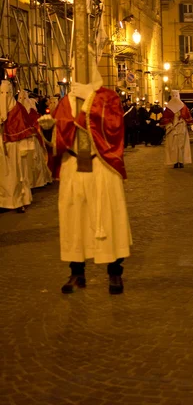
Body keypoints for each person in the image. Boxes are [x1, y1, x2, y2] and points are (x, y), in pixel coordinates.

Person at [38, 51, 132, 295]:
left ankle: (114, 272)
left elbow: (113, 126)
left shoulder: (108, 97)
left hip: (101, 164)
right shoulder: (66, 101)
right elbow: (58, 138)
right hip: (73, 165)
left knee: (108, 216)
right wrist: (49, 132)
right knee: (74, 219)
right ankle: (76, 272)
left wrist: (89, 101)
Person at [0, 80, 34, 212]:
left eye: (6, 93)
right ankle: (4, 201)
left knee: (16, 175)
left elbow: (25, 131)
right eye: (1, 93)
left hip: (15, 149)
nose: (4, 96)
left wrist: (24, 148)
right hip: (3, 148)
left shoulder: (18, 109)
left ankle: (19, 201)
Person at [17, 89, 52, 189]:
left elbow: (36, 123)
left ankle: (37, 181)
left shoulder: (32, 111)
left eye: (24, 98)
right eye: (20, 98)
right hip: (23, 140)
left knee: (35, 161)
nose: (22, 100)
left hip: (33, 139)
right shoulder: (18, 110)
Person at [160, 90, 193, 168]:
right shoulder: (168, 107)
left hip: (181, 127)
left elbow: (187, 116)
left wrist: (182, 119)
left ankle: (181, 161)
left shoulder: (183, 106)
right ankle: (175, 161)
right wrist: (170, 125)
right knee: (173, 146)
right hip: (172, 128)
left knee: (181, 145)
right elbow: (165, 118)